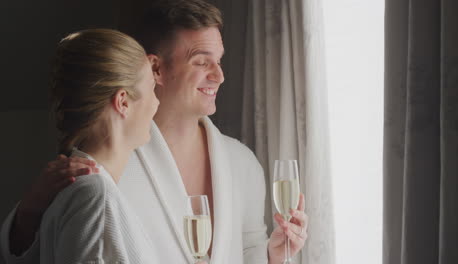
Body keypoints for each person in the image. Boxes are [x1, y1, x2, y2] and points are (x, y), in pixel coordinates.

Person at [1, 1, 309, 263]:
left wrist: (271, 254)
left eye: (220, 61)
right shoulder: (103, 163)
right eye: (202, 62)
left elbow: (245, 251)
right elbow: (49, 248)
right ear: (156, 69)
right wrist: (29, 211)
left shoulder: (242, 161)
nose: (219, 75)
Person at [0, 28, 162, 263]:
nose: (156, 102)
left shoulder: (81, 187)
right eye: (152, 89)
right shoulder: (93, 192)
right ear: (123, 101)